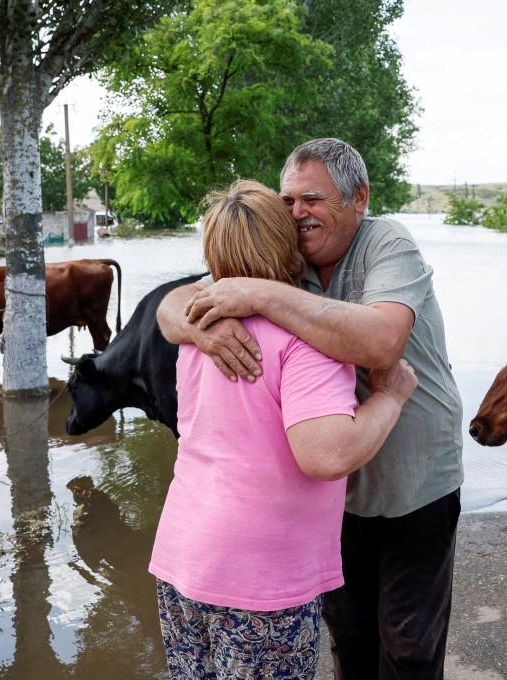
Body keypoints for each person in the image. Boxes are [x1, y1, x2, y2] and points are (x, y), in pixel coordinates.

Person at [157, 138, 464, 680]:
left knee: (410, 644)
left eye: (314, 199)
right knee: (348, 638)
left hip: (413, 483)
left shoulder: (387, 244)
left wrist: (260, 297)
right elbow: (170, 307)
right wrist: (204, 327)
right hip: (335, 500)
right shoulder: (285, 254)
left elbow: (381, 344)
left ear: (359, 199)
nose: (298, 212)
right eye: (288, 200)